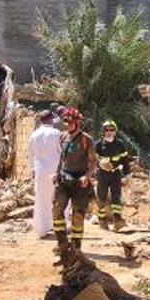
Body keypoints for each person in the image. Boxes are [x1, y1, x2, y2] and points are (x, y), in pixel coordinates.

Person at [53, 107, 97, 266]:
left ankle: (76, 248)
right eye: (65, 121)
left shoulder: (86, 139)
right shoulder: (62, 137)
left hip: (80, 181)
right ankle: (62, 245)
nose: (68, 124)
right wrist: (57, 173)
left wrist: (87, 176)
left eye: (70, 121)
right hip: (64, 179)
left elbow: (93, 161)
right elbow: (62, 159)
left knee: (78, 215)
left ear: (77, 122)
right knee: (57, 210)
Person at [28, 110, 62, 239]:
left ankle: (42, 229)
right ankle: (61, 226)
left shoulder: (34, 134)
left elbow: (31, 154)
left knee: (42, 199)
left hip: (40, 170)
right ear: (50, 120)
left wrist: (32, 170)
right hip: (55, 170)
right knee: (60, 198)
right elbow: (61, 152)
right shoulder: (56, 133)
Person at [94, 120, 132, 232]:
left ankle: (117, 221)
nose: (109, 132)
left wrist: (127, 175)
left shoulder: (120, 144)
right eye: (106, 130)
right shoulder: (99, 144)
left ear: (115, 131)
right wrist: (100, 163)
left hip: (115, 174)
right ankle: (102, 221)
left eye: (111, 130)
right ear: (103, 131)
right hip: (102, 175)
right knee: (101, 198)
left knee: (116, 196)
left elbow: (125, 160)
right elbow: (93, 159)